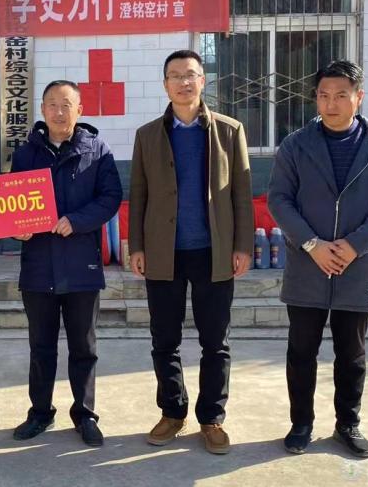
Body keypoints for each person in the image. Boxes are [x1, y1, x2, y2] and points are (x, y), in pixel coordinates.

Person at [267, 60, 368, 458]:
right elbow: (280, 199)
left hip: (357, 265)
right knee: (301, 351)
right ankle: (301, 424)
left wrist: (353, 246)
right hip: (308, 263)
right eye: (324, 95)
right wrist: (312, 244)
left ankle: (348, 424)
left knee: (351, 353)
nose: (331, 104)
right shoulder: (296, 146)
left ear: (359, 97)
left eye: (341, 95)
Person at [128, 50, 254, 454]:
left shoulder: (230, 131)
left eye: (191, 75)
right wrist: (137, 246)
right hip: (163, 253)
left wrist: (242, 245)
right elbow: (139, 195)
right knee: (164, 339)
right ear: (165, 84)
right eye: (175, 76)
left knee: (215, 341)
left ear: (203, 81)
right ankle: (172, 412)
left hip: (213, 252)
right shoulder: (148, 135)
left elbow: (241, 194)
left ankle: (212, 418)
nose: (184, 82)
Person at [8, 80, 122, 447]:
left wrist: (78, 221)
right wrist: (16, 227)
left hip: (81, 265)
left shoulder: (97, 150)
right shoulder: (26, 154)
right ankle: (40, 412)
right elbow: (11, 202)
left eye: (67, 104)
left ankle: (85, 414)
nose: (59, 111)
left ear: (80, 110)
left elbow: (110, 197)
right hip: (38, 266)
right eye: (52, 104)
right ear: (42, 110)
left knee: (83, 347)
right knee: (41, 346)